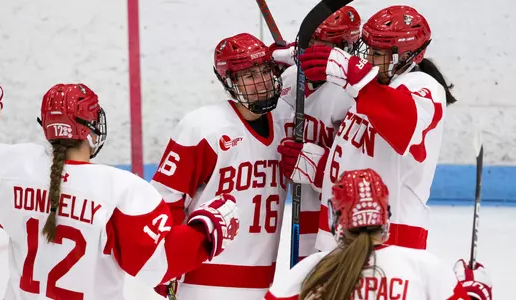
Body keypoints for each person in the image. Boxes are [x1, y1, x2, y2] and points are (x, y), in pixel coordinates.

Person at [0, 81, 239, 299]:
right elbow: (156, 265)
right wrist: (206, 232)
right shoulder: (120, 190)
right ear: (91, 131)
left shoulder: (11, 167)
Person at [281, 5, 457, 251]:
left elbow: (405, 124)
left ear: (411, 56)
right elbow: (362, 164)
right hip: (341, 235)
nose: (371, 59)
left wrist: (356, 75)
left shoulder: (422, 86)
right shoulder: (369, 92)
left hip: (387, 240)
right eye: (370, 50)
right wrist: (319, 167)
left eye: (381, 52)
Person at [150, 33, 293, 299]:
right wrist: (166, 264)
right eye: (249, 77)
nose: (261, 83)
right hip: (202, 281)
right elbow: (164, 201)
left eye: (264, 71)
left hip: (264, 281)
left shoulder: (289, 120)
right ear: (229, 82)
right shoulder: (204, 127)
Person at [265, 169, 492, 300]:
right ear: (386, 217)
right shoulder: (424, 267)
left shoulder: (313, 269)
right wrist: (473, 294)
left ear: (335, 219)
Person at [273, 5, 361, 261]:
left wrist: (316, 165)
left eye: (328, 46)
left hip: (339, 214)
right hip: (301, 209)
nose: (317, 53)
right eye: (313, 44)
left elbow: (363, 164)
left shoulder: (353, 94)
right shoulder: (289, 79)